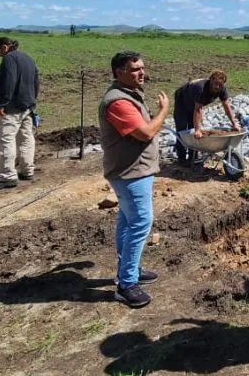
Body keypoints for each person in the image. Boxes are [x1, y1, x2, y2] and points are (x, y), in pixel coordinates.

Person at [100, 51, 170, 308]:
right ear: (119, 72)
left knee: (127, 221)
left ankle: (130, 270)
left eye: (142, 67)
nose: (142, 72)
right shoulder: (118, 102)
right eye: (135, 69)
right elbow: (146, 132)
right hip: (130, 172)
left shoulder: (129, 94)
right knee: (140, 222)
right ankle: (126, 284)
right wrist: (164, 111)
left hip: (133, 170)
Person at [0, 37, 39, 190]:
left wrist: (1, 104)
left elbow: (8, 82)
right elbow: (36, 82)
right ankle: (27, 171)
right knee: (26, 138)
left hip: (12, 108)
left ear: (4, 47)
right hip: (28, 106)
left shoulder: (9, 59)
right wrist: (32, 100)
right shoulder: (28, 58)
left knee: (7, 139)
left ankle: (8, 176)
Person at [173, 71, 241, 164]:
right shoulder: (201, 88)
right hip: (182, 100)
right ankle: (181, 158)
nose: (217, 87)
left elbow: (226, 106)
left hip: (195, 103)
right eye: (215, 84)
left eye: (220, 85)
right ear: (210, 80)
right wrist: (197, 130)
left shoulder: (221, 89)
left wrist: (234, 123)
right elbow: (198, 109)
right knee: (182, 130)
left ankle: (192, 157)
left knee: (193, 128)